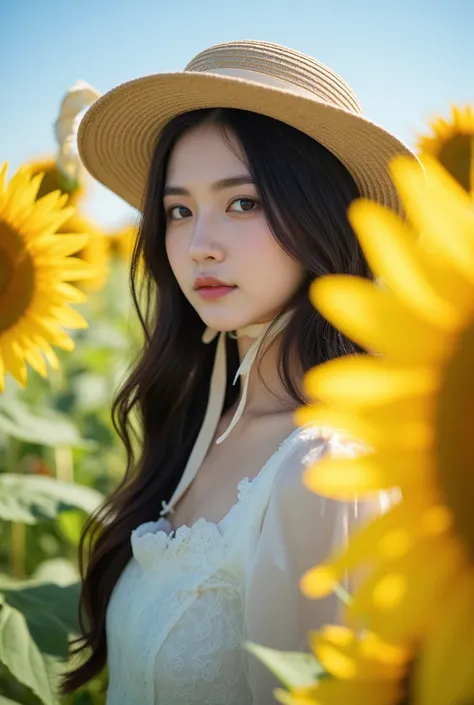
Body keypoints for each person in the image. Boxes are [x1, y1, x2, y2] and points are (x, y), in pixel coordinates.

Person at [61, 39, 414, 704]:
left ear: (321, 216)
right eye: (179, 210)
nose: (199, 246)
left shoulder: (324, 468)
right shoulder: (205, 422)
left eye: (243, 202)